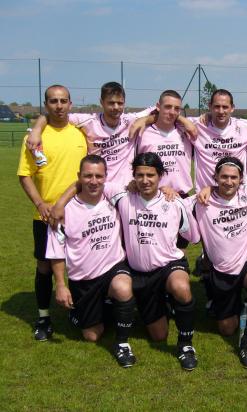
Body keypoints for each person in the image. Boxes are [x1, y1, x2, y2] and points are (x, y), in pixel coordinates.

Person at [110, 152, 201, 370]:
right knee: (159, 335)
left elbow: (194, 237)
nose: (145, 180)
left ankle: (185, 345)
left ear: (160, 176)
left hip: (169, 266)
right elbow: (88, 182)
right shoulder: (123, 197)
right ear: (133, 177)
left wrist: (181, 202)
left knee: (181, 286)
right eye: (139, 175)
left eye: (150, 175)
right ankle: (153, 311)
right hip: (140, 272)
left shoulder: (174, 203)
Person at [45, 155, 136, 367]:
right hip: (84, 279)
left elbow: (146, 183)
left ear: (106, 177)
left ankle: (122, 344)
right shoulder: (63, 213)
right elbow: (56, 253)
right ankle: (89, 310)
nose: (93, 181)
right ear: (79, 178)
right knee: (92, 335)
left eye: (98, 176)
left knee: (123, 288)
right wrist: (60, 285)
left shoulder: (113, 196)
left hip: (114, 267)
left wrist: (169, 191)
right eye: (88, 176)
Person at [17, 84, 87, 341]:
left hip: (79, 214)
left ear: (71, 104)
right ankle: (44, 317)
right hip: (45, 216)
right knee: (45, 266)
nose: (59, 106)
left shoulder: (80, 134)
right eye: (53, 101)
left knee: (80, 264)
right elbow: (25, 176)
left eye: (63, 101)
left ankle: (78, 310)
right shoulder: (34, 138)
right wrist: (39, 204)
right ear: (46, 105)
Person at [190, 157, 247, 368]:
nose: (228, 182)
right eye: (224, 177)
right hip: (222, 268)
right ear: (215, 177)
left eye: (233, 177)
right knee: (227, 328)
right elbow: (170, 204)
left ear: (241, 179)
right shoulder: (200, 201)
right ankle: (224, 291)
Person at [26, 82, 156, 186]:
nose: (116, 107)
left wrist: (146, 119)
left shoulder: (130, 120)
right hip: (97, 188)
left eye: (120, 103)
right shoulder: (88, 121)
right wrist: (37, 130)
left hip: (127, 188)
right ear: (102, 102)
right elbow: (53, 115)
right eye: (111, 103)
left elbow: (160, 110)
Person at [136, 90, 194, 196]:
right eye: (168, 107)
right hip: (153, 196)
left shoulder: (185, 132)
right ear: (158, 106)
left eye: (176, 108)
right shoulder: (143, 133)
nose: (172, 112)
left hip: (182, 196)